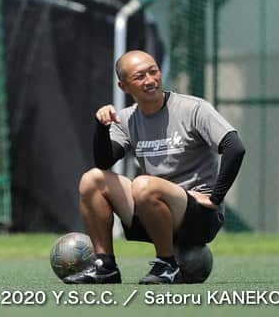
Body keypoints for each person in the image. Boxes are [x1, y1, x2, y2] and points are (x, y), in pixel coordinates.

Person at [64, 50, 245, 285]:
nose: (150, 80)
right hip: (152, 211)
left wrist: (215, 197)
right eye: (139, 77)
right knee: (91, 180)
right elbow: (105, 162)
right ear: (123, 86)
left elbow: (234, 147)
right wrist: (102, 127)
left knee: (143, 184)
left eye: (153, 72)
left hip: (198, 217)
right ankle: (105, 266)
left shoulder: (193, 108)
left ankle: (166, 266)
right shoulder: (126, 118)